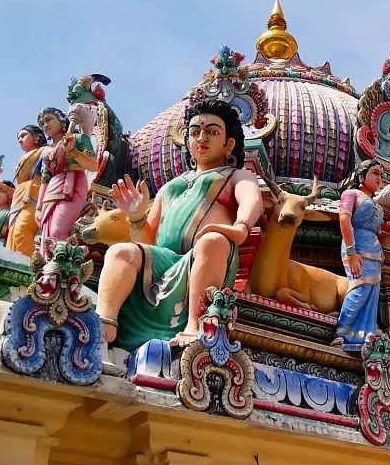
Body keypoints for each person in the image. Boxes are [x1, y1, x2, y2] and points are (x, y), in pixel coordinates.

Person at [95, 98, 263, 350]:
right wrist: (137, 216)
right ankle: (103, 324)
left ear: (229, 145)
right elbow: (148, 242)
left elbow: (252, 199)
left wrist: (241, 226)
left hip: (205, 257)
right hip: (165, 260)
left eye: (212, 132)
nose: (202, 138)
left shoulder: (236, 176)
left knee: (213, 240)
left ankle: (195, 326)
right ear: (186, 141)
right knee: (120, 251)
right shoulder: (171, 187)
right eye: (194, 132)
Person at [332, 159, 390, 352]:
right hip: (355, 248)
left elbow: (381, 238)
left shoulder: (378, 206)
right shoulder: (351, 194)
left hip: (375, 254)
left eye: (381, 175)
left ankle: (361, 337)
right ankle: (341, 334)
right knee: (358, 290)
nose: (379, 178)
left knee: (371, 295)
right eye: (375, 173)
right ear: (361, 177)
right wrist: (351, 252)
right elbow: (344, 220)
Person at [36, 107, 98, 256]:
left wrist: (72, 151)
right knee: (46, 236)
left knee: (58, 231)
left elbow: (93, 165)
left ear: (62, 121)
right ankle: (49, 263)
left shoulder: (78, 139)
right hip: (52, 188)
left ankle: (62, 263)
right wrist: (38, 208)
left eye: (49, 119)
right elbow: (45, 179)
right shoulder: (47, 151)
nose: (45, 125)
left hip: (72, 183)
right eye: (42, 123)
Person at [7, 125, 47, 256]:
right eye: (18, 138)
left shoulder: (44, 152)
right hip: (19, 199)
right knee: (12, 238)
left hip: (34, 196)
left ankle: (30, 264)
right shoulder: (26, 158)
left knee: (21, 231)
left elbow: (47, 175)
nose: (20, 140)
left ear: (36, 138)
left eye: (23, 135)